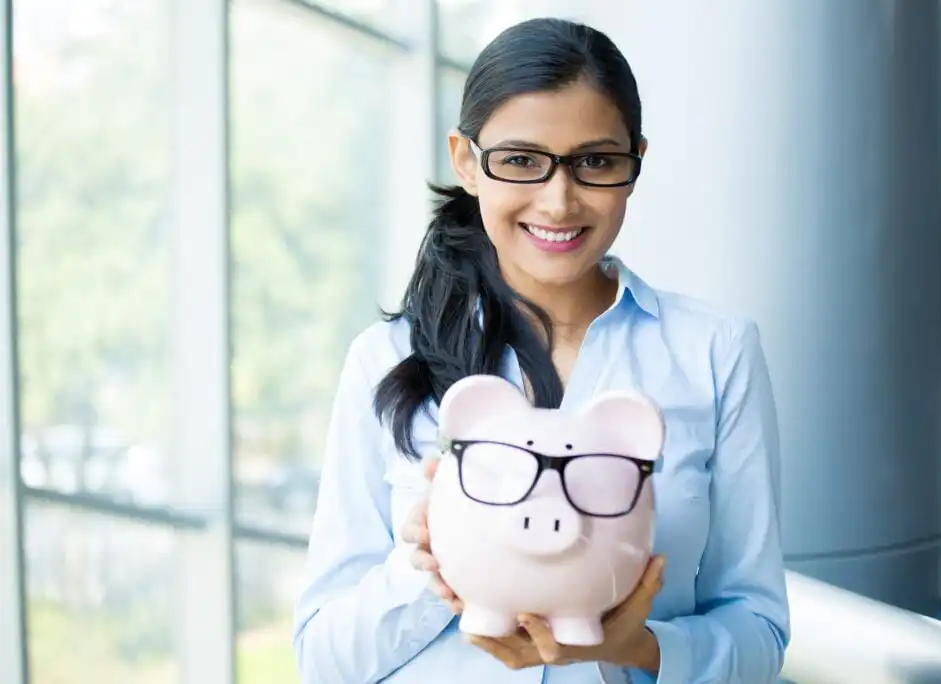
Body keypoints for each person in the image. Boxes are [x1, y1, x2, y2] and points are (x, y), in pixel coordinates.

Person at [292, 16, 790, 684]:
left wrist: (631, 646)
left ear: (634, 162)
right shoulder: (384, 361)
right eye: (522, 160)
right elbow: (325, 662)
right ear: (466, 161)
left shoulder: (715, 354)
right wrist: (427, 560)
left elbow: (757, 630)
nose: (559, 202)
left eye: (595, 162)